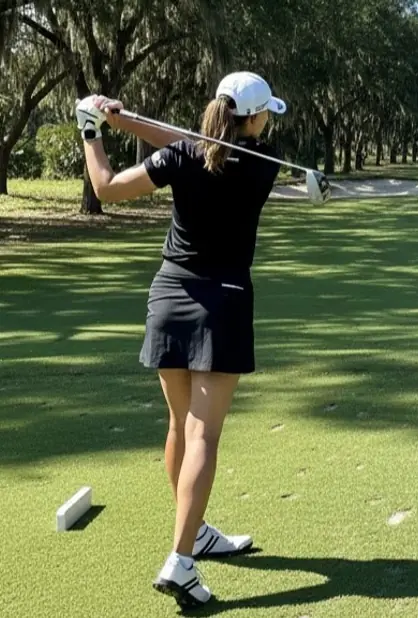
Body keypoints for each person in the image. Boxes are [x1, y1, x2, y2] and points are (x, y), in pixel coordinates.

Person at [76, 71, 288, 609]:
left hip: (169, 298)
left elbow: (104, 188)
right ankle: (181, 559)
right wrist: (129, 120)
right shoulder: (262, 165)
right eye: (267, 115)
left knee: (179, 426)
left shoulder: (181, 157)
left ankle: (193, 536)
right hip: (224, 302)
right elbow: (198, 146)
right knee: (204, 435)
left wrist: (95, 130)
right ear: (256, 119)